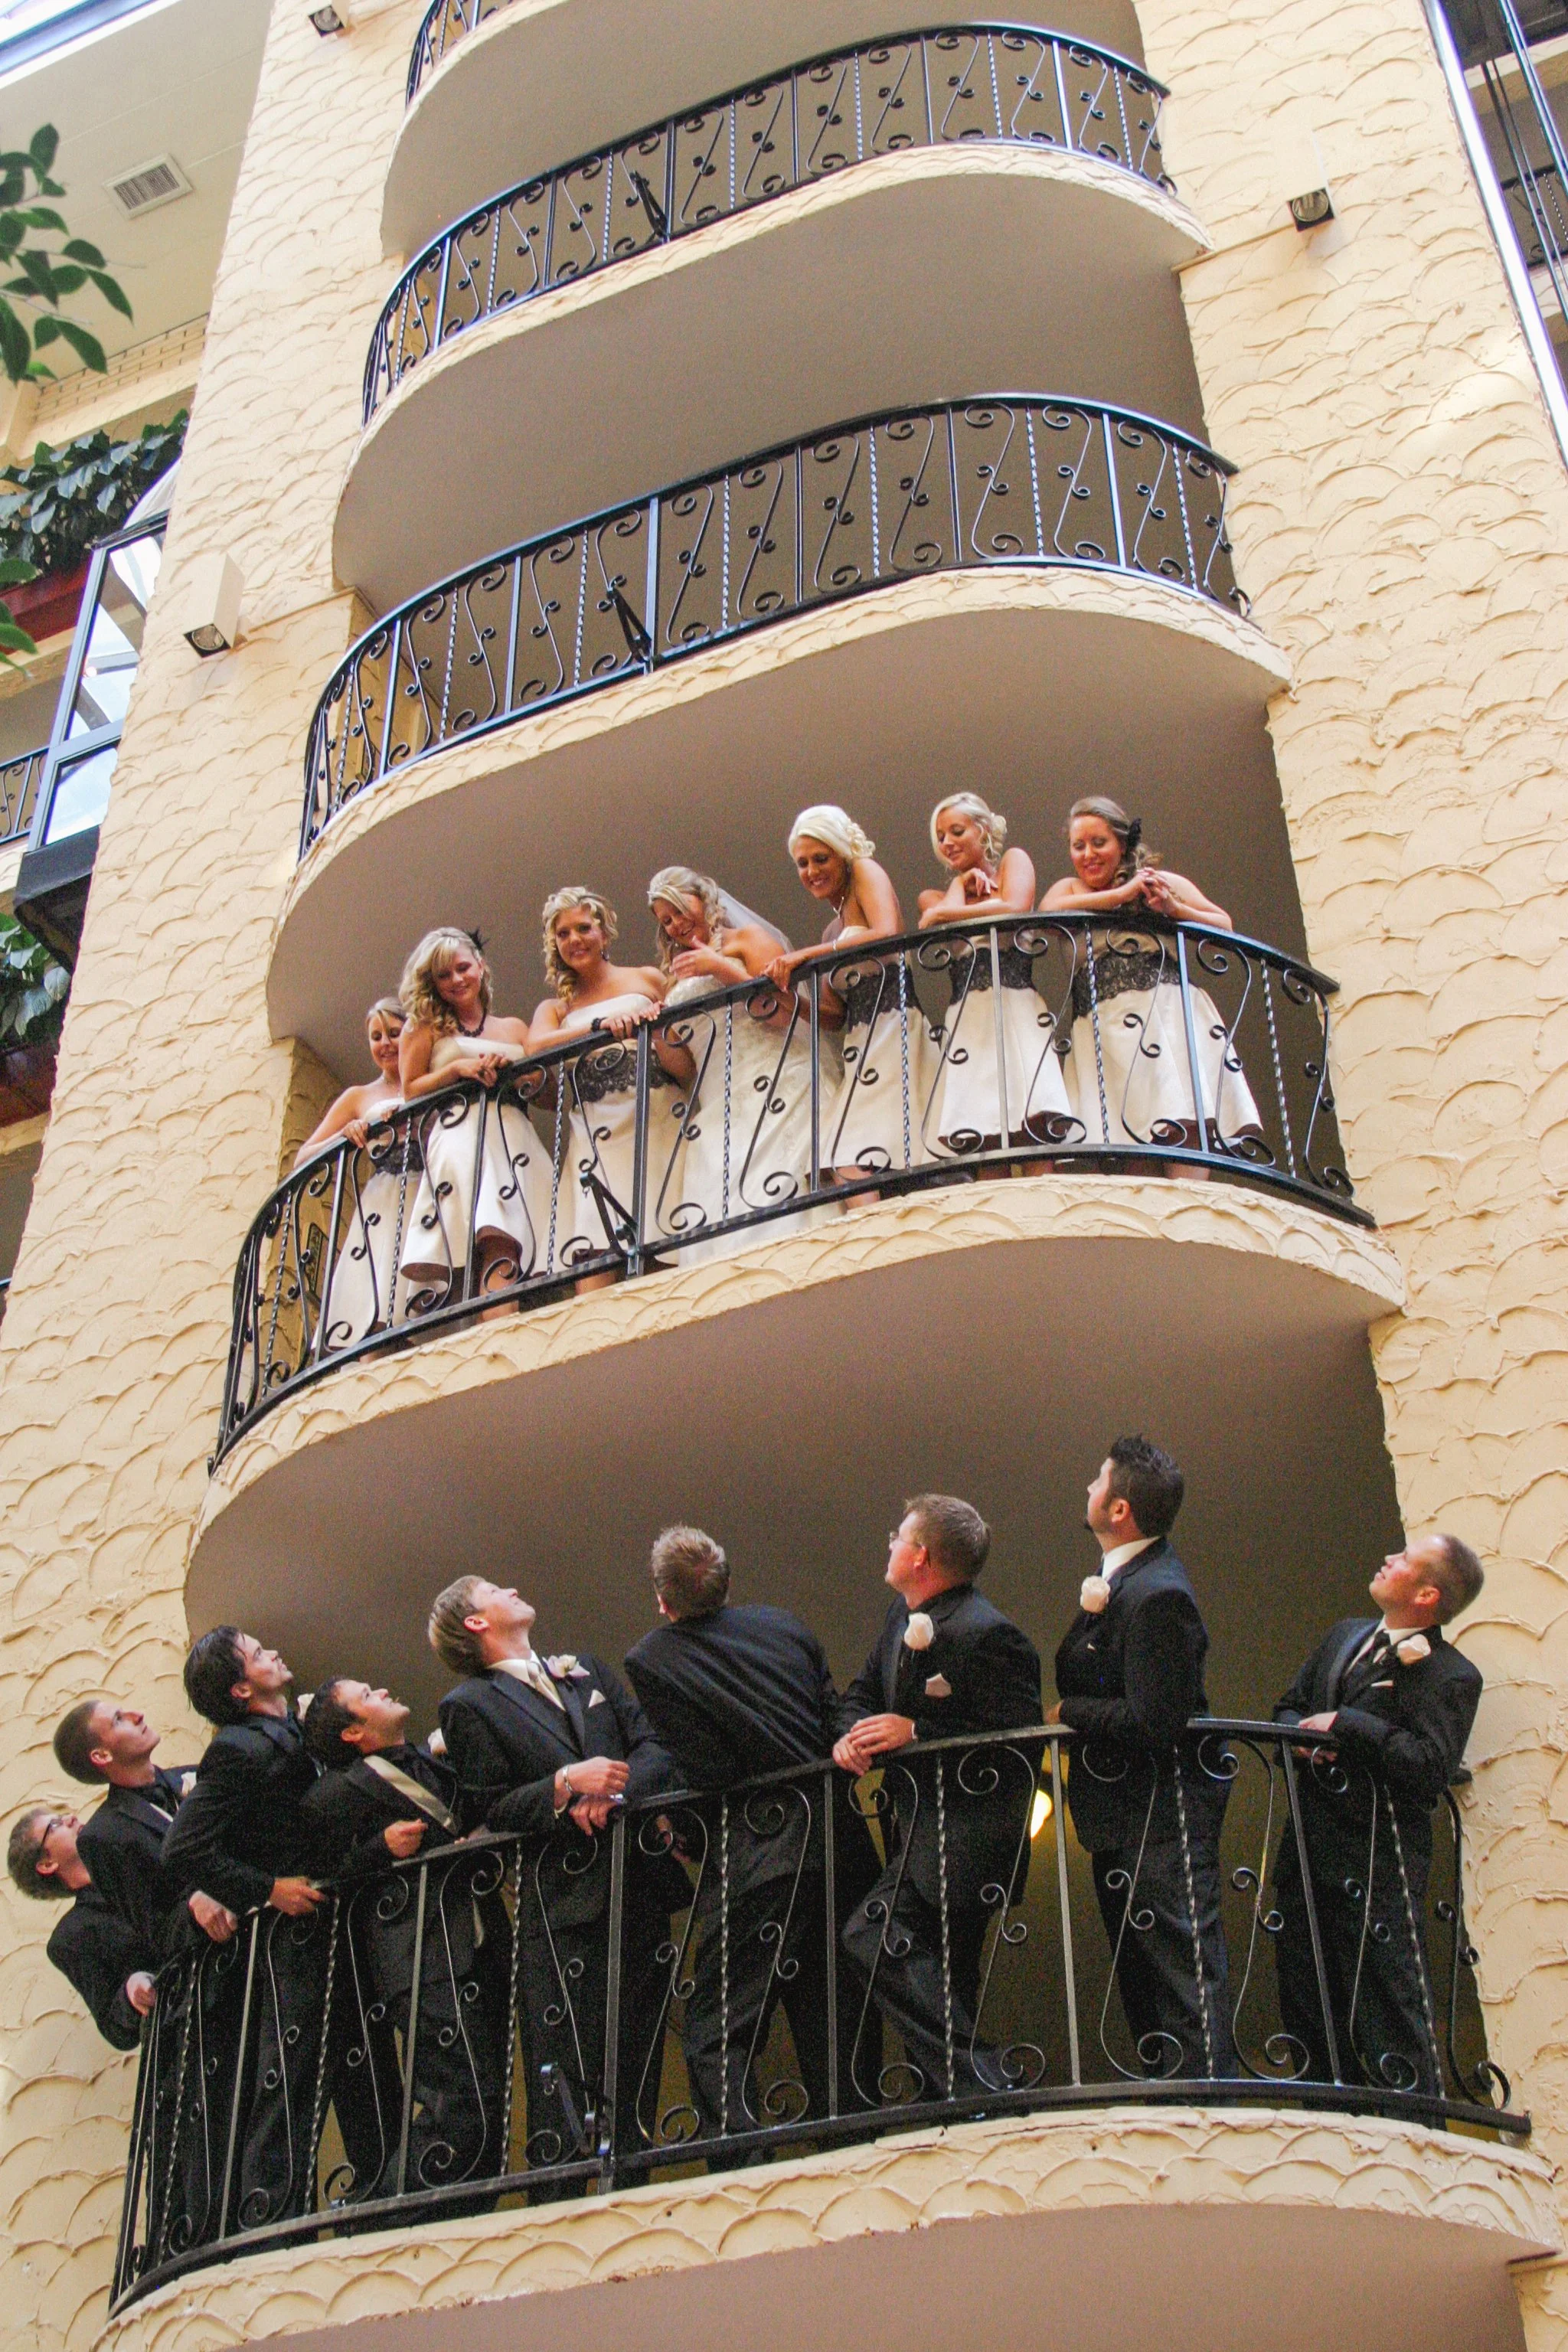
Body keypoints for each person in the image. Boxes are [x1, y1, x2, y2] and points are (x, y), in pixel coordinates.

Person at [623, 1525, 879, 2140]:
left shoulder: (651, 1658)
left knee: (717, 2026)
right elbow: (831, 1710)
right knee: (836, 2015)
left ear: (662, 1600)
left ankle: (738, 2158)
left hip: (760, 1855)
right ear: (726, 1583)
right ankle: (856, 2146)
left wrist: (682, 1830)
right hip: (840, 1842)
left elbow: (708, 1767)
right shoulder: (783, 1625)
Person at [431, 1578, 684, 2171]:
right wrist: (566, 1783)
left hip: (637, 1882)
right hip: (563, 1906)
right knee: (567, 2062)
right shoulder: (469, 1704)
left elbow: (652, 1745)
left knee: (639, 2047)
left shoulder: (585, 1669)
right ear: (475, 1622)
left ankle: (631, 2177)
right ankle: (563, 2185)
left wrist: (614, 1794)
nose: (513, 1588)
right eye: (494, 1589)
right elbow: (492, 1807)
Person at [159, 1628, 392, 2230]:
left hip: (333, 1926)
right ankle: (265, 2222)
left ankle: (382, 2200)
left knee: (360, 2066)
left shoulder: (291, 1730)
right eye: (258, 1654)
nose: (274, 1654)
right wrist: (267, 1890)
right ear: (241, 1689)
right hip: (293, 1942)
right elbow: (184, 1847)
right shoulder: (238, 1748)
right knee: (290, 2081)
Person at [834, 1495, 1042, 2103]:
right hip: (917, 1834)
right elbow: (861, 1694)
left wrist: (917, 1731)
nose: (890, 1545)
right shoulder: (896, 1619)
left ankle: (980, 2079)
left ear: (920, 1555)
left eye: (897, 1536)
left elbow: (1018, 1741)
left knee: (872, 1934)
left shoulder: (990, 1633)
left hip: (968, 1839)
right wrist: (850, 1736)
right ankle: (955, 2101)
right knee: (938, 1975)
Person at [1049, 1437, 1237, 2079]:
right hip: (1123, 1818)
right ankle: (1170, 2095)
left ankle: (1206, 2109)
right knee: (1143, 1977)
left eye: (1098, 1480)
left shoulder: (1159, 1594)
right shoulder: (1130, 1580)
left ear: (1120, 1509)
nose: (1088, 1488)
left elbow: (1156, 1719)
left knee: (1182, 1975)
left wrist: (1070, 1712)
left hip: (1160, 1815)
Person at [1271, 1534, 1485, 2099]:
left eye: (1405, 1560)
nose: (1389, 1559)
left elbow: (1430, 1765)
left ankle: (1412, 2127)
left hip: (1376, 1866)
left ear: (1427, 1594)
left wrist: (1347, 1724)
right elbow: (1288, 1705)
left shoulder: (1452, 1674)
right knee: (1306, 1998)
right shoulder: (1344, 1635)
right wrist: (1301, 1735)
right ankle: (1323, 2116)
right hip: (1307, 1851)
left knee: (1387, 2007)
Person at [302, 1679, 509, 2202]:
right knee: (460, 2096)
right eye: (366, 1695)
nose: (381, 1690)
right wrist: (379, 1849)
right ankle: (381, 2206)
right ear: (352, 1732)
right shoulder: (337, 1792)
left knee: (489, 2094)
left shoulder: (431, 1762)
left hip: (478, 1942)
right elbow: (317, 1875)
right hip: (419, 1959)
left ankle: (464, 2208)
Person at [1039, 797, 1261, 1157]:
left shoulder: (1158, 881)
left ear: (1122, 843)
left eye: (1099, 842)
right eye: (1078, 846)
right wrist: (1121, 895)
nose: (1088, 854)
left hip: (1164, 1011)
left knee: (1183, 1114)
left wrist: (1175, 909)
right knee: (1122, 1136)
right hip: (1101, 1025)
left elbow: (1224, 924)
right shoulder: (1069, 889)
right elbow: (1047, 912)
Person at [637, 866, 829, 1257]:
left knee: (778, 1196)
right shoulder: (676, 974)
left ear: (703, 897)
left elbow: (782, 1013)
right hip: (716, 1103)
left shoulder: (747, 940)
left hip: (774, 1080)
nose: (675, 925)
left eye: (679, 910)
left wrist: (721, 969)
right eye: (666, 920)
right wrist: (658, 1032)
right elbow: (685, 1069)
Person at [766, 805, 933, 1189]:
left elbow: (887, 932)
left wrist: (806, 956)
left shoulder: (865, 872)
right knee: (840, 1158)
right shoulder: (831, 932)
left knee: (850, 1151)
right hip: (860, 1042)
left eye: (821, 858)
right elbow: (834, 1016)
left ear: (842, 853)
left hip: (894, 1027)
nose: (811, 871)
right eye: (802, 863)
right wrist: (786, 999)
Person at [528, 888, 685, 1288]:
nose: (574, 939)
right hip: (595, 1127)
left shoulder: (646, 978)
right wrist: (598, 1028)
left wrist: (655, 1024)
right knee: (593, 1248)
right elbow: (534, 1047)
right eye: (563, 934)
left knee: (664, 1228)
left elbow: (686, 1038)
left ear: (604, 932)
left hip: (654, 1114)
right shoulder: (557, 1008)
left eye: (583, 928)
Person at [397, 929, 550, 1307]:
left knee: (510, 1236)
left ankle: (502, 1322)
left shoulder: (514, 1028)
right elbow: (410, 1090)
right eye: (444, 975)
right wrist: (456, 1070)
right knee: (483, 1238)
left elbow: (544, 1089)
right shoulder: (424, 1027)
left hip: (513, 1132)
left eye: (463, 968)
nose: (456, 979)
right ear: (433, 983)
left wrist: (515, 1073)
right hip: (461, 1133)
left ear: (480, 967)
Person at [917, 793, 1073, 1155]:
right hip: (968, 1016)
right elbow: (938, 916)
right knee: (980, 1130)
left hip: (1016, 1004)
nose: (947, 842)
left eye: (957, 831)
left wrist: (947, 913)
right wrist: (958, 887)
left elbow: (1014, 906)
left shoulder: (1013, 863)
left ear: (984, 830)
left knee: (1035, 1122)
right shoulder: (934, 896)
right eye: (940, 837)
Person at [55, 1697, 234, 1955]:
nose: (137, 1715)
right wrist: (194, 1907)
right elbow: (157, 1932)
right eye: (119, 1720)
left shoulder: (199, 1774)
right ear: (102, 1755)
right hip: (230, 1955)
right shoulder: (102, 1836)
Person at [294, 997, 410, 1347]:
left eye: (394, 1033)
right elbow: (303, 1157)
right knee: (375, 1298)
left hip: (430, 1188)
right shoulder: (359, 1096)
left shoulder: (428, 1080)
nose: (385, 1044)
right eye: (376, 1037)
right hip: (385, 1197)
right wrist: (346, 1135)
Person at [8, 1806, 157, 2050]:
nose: (71, 1818)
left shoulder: (129, 1848)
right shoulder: (71, 1938)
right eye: (55, 1825)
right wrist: (131, 1992)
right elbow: (113, 2026)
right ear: (47, 1864)